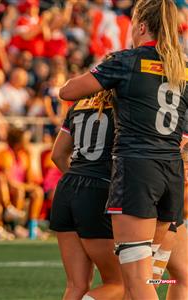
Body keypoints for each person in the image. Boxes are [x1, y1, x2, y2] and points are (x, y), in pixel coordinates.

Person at [59, 1, 188, 298]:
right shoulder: (182, 68)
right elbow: (182, 135)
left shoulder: (126, 60)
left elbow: (67, 91)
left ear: (141, 26)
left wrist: (106, 72)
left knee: (139, 282)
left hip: (135, 174)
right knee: (156, 277)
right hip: (170, 174)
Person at [50, 90, 123, 300]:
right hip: (99, 189)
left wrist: (80, 183)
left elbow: (57, 154)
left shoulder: (78, 104)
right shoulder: (125, 105)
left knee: (76, 285)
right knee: (121, 283)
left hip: (67, 187)